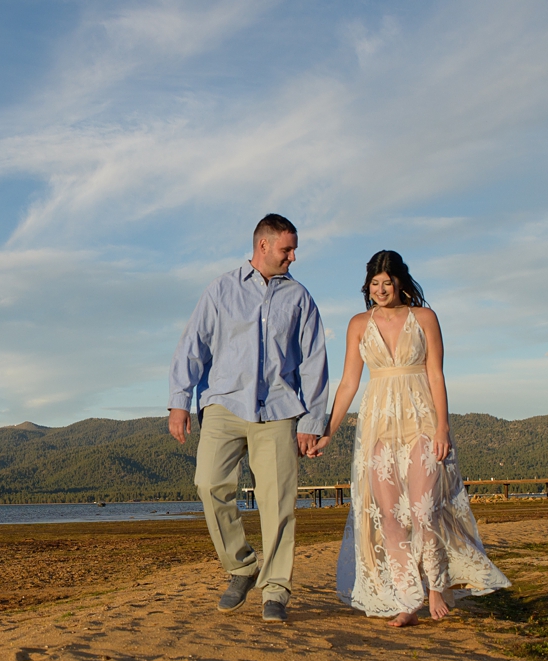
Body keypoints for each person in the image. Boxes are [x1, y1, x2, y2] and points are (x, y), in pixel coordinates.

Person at [313, 250, 510, 627]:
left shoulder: (424, 318)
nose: (381, 290)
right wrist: (327, 432)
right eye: (375, 284)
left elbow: (436, 374)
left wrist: (443, 428)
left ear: (401, 282)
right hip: (377, 424)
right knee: (389, 516)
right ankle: (408, 598)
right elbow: (349, 384)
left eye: (388, 283)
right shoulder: (358, 324)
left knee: (424, 510)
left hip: (420, 418)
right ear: (367, 286)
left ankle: (436, 585)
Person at [168, 214, 330, 623]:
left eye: (293, 250)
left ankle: (275, 588)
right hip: (223, 405)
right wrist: (179, 400)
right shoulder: (222, 289)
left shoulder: (299, 299)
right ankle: (242, 565)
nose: (293, 257)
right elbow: (193, 345)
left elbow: (314, 362)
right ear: (263, 246)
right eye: (287, 249)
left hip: (278, 410)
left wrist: (313, 421)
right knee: (208, 484)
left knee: (278, 502)